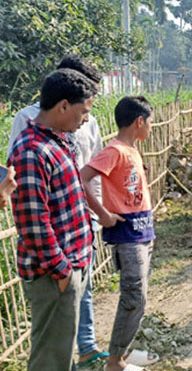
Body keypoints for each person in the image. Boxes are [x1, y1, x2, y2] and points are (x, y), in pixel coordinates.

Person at [7, 56, 108, 366]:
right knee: (51, 358)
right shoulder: (31, 152)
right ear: (63, 106)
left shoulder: (59, 142)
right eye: (83, 112)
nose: (84, 120)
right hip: (54, 272)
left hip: (71, 261)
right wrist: (62, 270)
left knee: (61, 352)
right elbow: (33, 222)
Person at [81, 96, 158, 371]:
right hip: (127, 235)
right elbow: (83, 177)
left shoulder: (132, 150)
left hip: (142, 231)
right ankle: (115, 361)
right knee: (134, 297)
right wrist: (102, 214)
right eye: (150, 122)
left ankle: (120, 355)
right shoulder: (115, 150)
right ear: (139, 122)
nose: (151, 127)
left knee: (139, 297)